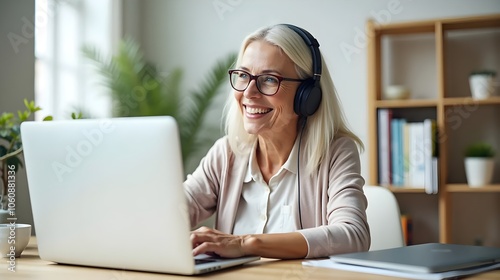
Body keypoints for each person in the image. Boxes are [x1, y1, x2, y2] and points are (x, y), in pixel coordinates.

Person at [185, 23, 370, 259]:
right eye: (243, 75)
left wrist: (245, 243)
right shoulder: (226, 153)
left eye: (269, 79)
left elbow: (353, 235)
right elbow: (176, 210)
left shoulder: (336, 153)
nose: (249, 93)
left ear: (307, 96)